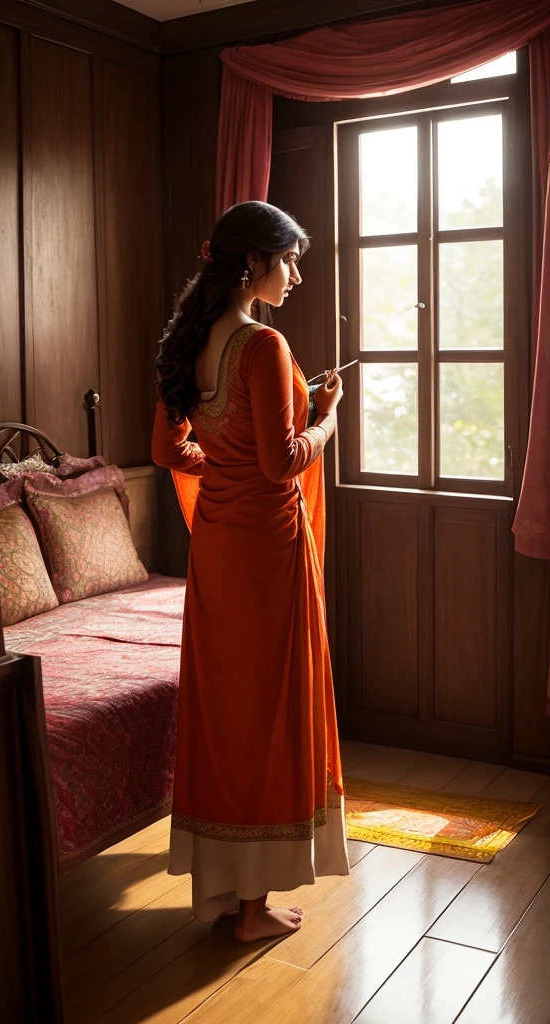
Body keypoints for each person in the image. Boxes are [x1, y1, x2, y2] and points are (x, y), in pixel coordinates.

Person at [152, 200, 349, 943]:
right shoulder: (262, 347)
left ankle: (234, 896)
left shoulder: (194, 339)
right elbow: (282, 461)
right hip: (265, 554)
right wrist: (328, 417)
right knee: (269, 714)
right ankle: (250, 909)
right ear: (251, 264)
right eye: (289, 260)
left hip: (217, 552)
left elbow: (170, 451)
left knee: (227, 713)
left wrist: (220, 467)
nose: (296, 275)